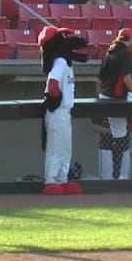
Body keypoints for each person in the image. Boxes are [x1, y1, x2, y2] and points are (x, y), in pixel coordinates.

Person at [38, 26, 88, 195]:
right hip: (57, 111)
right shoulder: (59, 61)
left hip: (65, 112)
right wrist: (56, 97)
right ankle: (51, 181)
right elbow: (53, 83)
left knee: (66, 149)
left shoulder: (65, 60)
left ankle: (62, 179)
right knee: (57, 148)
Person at [95, 28, 132, 159]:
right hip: (116, 97)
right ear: (129, 39)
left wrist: (99, 100)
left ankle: (116, 173)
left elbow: (99, 80)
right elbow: (127, 78)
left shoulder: (108, 52)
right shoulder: (125, 53)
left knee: (118, 133)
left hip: (106, 96)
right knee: (119, 134)